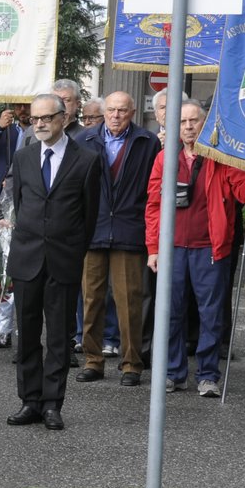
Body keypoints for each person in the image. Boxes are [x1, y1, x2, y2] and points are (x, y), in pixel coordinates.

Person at [144, 99, 245, 397]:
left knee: (211, 315)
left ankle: (208, 375)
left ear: (205, 124)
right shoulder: (164, 159)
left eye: (194, 121)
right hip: (172, 249)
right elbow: (154, 206)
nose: (189, 126)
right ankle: (173, 373)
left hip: (210, 247)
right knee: (170, 313)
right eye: (182, 122)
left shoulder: (222, 157)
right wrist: (154, 248)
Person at [6, 92, 102, 431]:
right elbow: (21, 202)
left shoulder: (87, 160)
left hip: (63, 260)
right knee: (27, 335)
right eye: (35, 119)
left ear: (63, 118)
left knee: (59, 337)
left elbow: (89, 216)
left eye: (47, 118)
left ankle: (52, 404)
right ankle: (29, 400)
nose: (41, 124)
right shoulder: (24, 158)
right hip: (27, 258)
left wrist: (74, 250)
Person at [75, 90, 157, 386]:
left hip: (130, 230)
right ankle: (93, 360)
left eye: (122, 110)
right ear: (103, 111)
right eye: (111, 110)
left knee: (129, 302)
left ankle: (131, 363)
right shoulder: (83, 140)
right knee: (91, 299)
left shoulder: (148, 143)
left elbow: (154, 190)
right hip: (93, 230)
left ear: (132, 112)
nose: (116, 115)